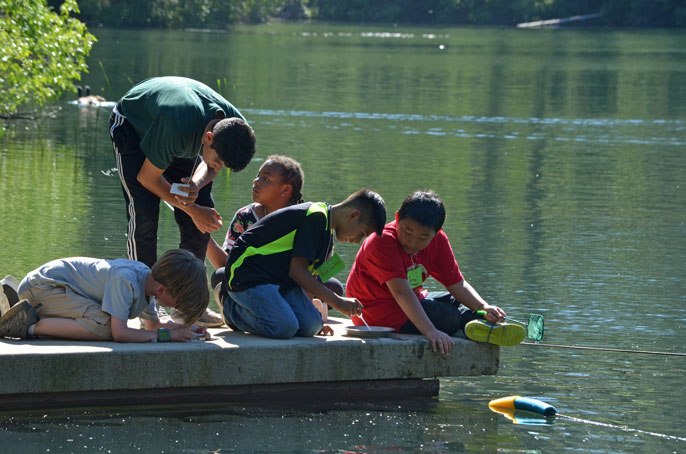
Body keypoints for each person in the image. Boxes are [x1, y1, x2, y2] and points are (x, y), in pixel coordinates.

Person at [109, 76, 256, 327]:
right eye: (218, 161)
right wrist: (192, 209)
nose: (217, 168)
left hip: (176, 136)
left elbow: (210, 167)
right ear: (208, 138)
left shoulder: (234, 127)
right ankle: (147, 307)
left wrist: (195, 187)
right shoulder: (176, 123)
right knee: (145, 217)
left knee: (202, 221)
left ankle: (190, 305)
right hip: (133, 127)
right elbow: (147, 178)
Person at [346, 190, 525, 356]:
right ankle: (468, 325)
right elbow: (401, 293)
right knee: (447, 316)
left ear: (436, 232)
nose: (413, 242)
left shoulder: (439, 241)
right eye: (407, 231)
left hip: (412, 301)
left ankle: (481, 322)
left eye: (423, 237)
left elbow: (457, 283)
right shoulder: (381, 241)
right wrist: (430, 332)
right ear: (397, 218)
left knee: (456, 301)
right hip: (376, 315)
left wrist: (483, 307)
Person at [219, 188, 387, 339]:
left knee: (311, 326)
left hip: (278, 281)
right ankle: (230, 309)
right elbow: (297, 272)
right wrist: (337, 302)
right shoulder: (317, 216)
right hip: (247, 273)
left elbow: (307, 277)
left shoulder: (327, 233)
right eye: (362, 233)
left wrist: (310, 315)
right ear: (353, 215)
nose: (358, 241)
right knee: (284, 327)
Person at [207, 155, 344, 301]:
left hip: (295, 285)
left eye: (265, 179)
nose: (256, 181)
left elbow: (328, 266)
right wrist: (204, 237)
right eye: (258, 176)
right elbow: (226, 264)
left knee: (334, 287)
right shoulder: (245, 217)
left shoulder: (308, 218)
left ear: (285, 189)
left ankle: (300, 304)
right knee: (221, 276)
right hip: (255, 283)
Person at [0, 249, 209, 342]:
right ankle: (25, 325)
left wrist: (186, 329)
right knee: (103, 326)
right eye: (179, 302)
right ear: (163, 290)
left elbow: (151, 326)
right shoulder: (126, 280)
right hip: (44, 287)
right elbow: (120, 334)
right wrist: (167, 337)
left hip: (52, 288)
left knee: (101, 321)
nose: (177, 307)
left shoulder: (148, 283)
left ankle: (19, 306)